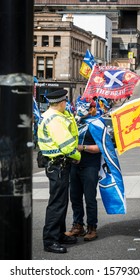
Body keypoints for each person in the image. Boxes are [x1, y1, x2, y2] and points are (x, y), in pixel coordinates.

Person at [37, 89, 81, 254]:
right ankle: (50, 240)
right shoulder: (55, 119)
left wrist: (68, 115)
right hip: (58, 164)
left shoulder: (52, 115)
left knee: (60, 201)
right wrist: (77, 156)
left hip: (56, 165)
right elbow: (67, 145)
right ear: (62, 102)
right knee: (57, 203)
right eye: (66, 102)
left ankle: (59, 234)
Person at [66, 98, 102, 241]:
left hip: (90, 166)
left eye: (86, 107)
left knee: (89, 198)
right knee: (75, 197)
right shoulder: (76, 122)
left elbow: (101, 147)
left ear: (92, 109)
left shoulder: (97, 124)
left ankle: (92, 227)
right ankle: (78, 226)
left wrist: (83, 148)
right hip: (75, 165)